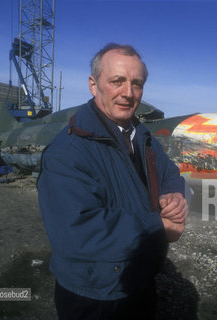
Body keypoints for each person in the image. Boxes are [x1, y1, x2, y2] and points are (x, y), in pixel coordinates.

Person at [37, 43, 188, 320]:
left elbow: (169, 173)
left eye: (136, 83)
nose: (128, 93)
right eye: (117, 81)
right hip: (96, 293)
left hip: (139, 280)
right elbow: (76, 232)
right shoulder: (67, 152)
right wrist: (159, 226)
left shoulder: (142, 136)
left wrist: (174, 195)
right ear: (93, 85)